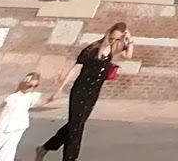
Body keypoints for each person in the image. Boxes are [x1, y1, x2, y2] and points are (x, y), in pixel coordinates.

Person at [35, 23, 131, 161]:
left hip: (94, 92)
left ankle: (45, 148)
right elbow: (75, 68)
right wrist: (60, 89)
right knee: (76, 127)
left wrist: (129, 39)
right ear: (108, 34)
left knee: (75, 124)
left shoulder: (113, 49)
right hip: (80, 90)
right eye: (112, 38)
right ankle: (69, 158)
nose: (113, 41)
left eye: (117, 39)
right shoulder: (92, 49)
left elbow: (128, 55)